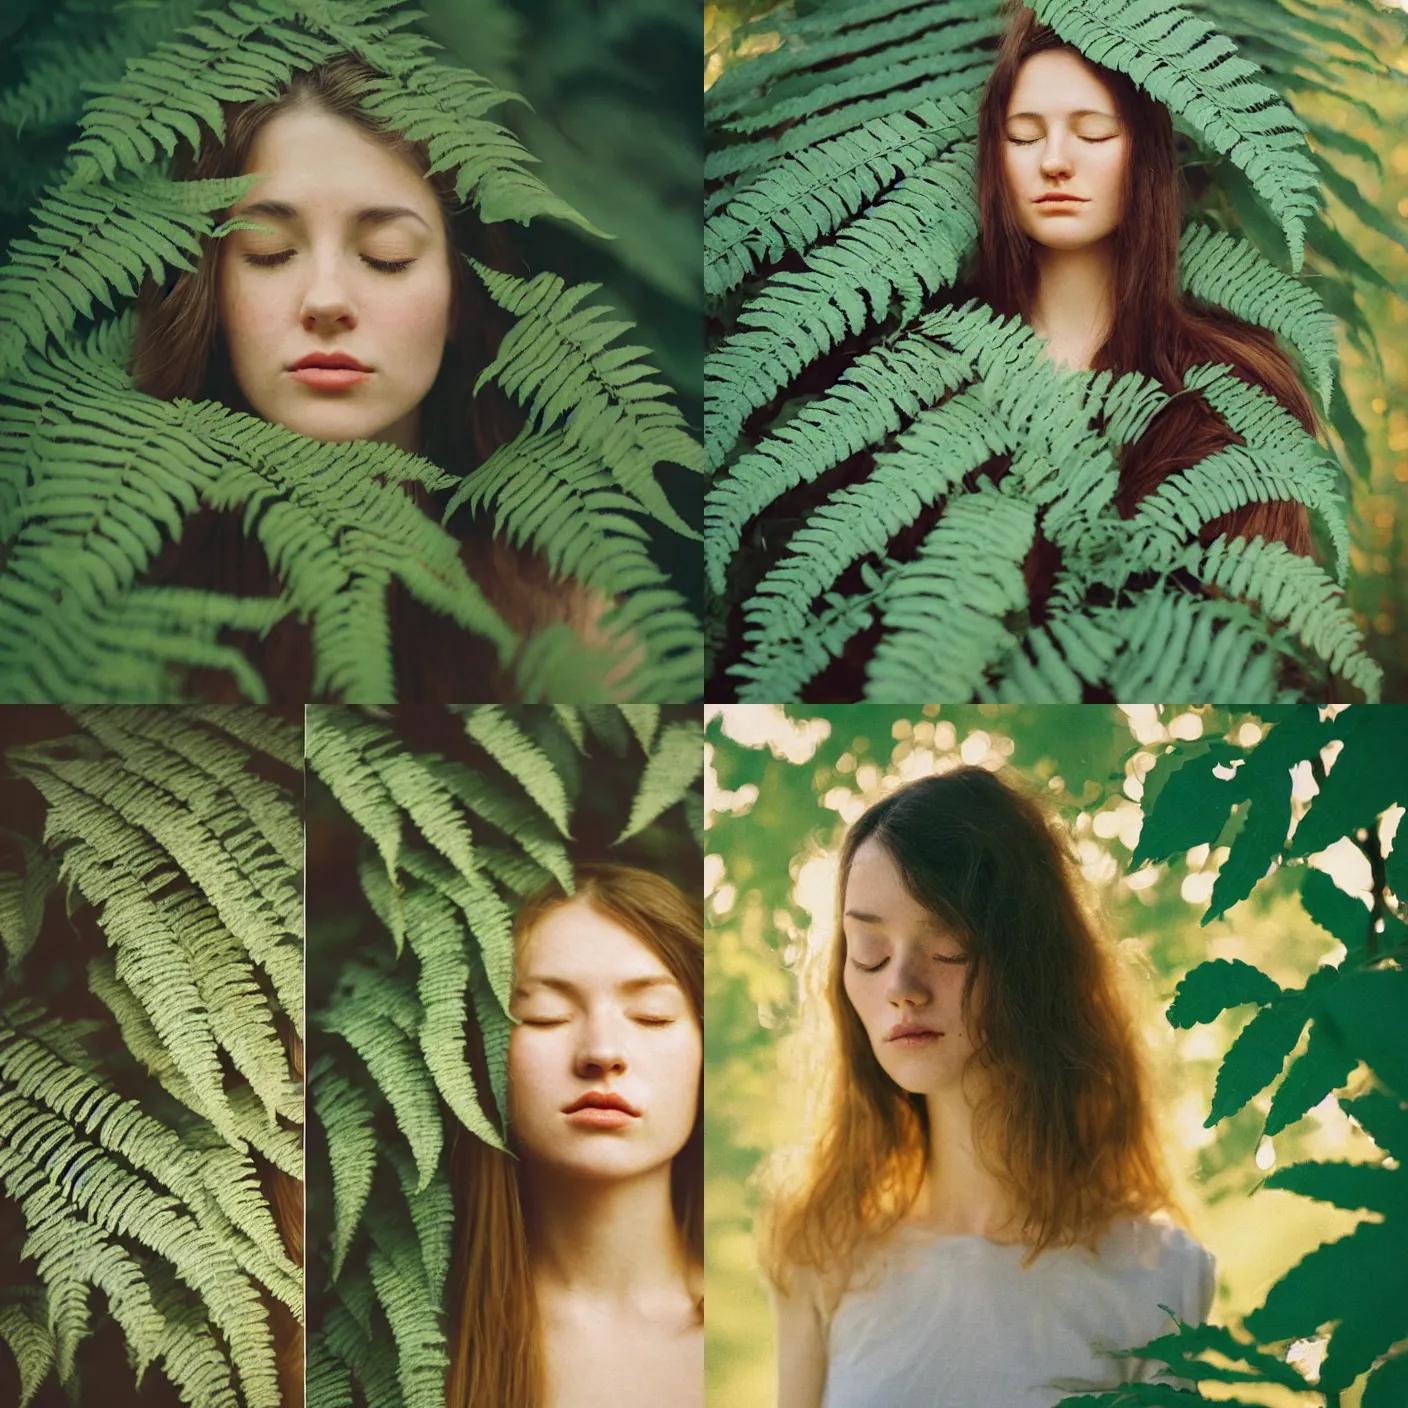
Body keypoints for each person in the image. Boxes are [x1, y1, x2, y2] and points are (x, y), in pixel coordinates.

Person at [132, 54, 608, 701]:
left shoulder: (563, 619)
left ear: (460, 299)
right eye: (269, 252)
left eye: (387, 258)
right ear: (210, 292)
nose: (326, 299)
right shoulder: (89, 593)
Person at [764, 768, 1214, 1408]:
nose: (901, 985)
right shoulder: (823, 1250)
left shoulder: (1157, 1276)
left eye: (946, 941)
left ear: (1030, 956)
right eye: (868, 949)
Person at [974, 3, 1316, 574]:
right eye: (1024, 136)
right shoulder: (929, 376)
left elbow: (1252, 634)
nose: (1055, 161)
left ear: (1145, 158)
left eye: (1094, 131)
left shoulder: (1232, 395)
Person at [445, 864, 704, 1408]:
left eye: (651, 1016)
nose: (602, 1052)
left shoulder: (773, 1314)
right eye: (546, 1015)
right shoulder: (410, 1350)